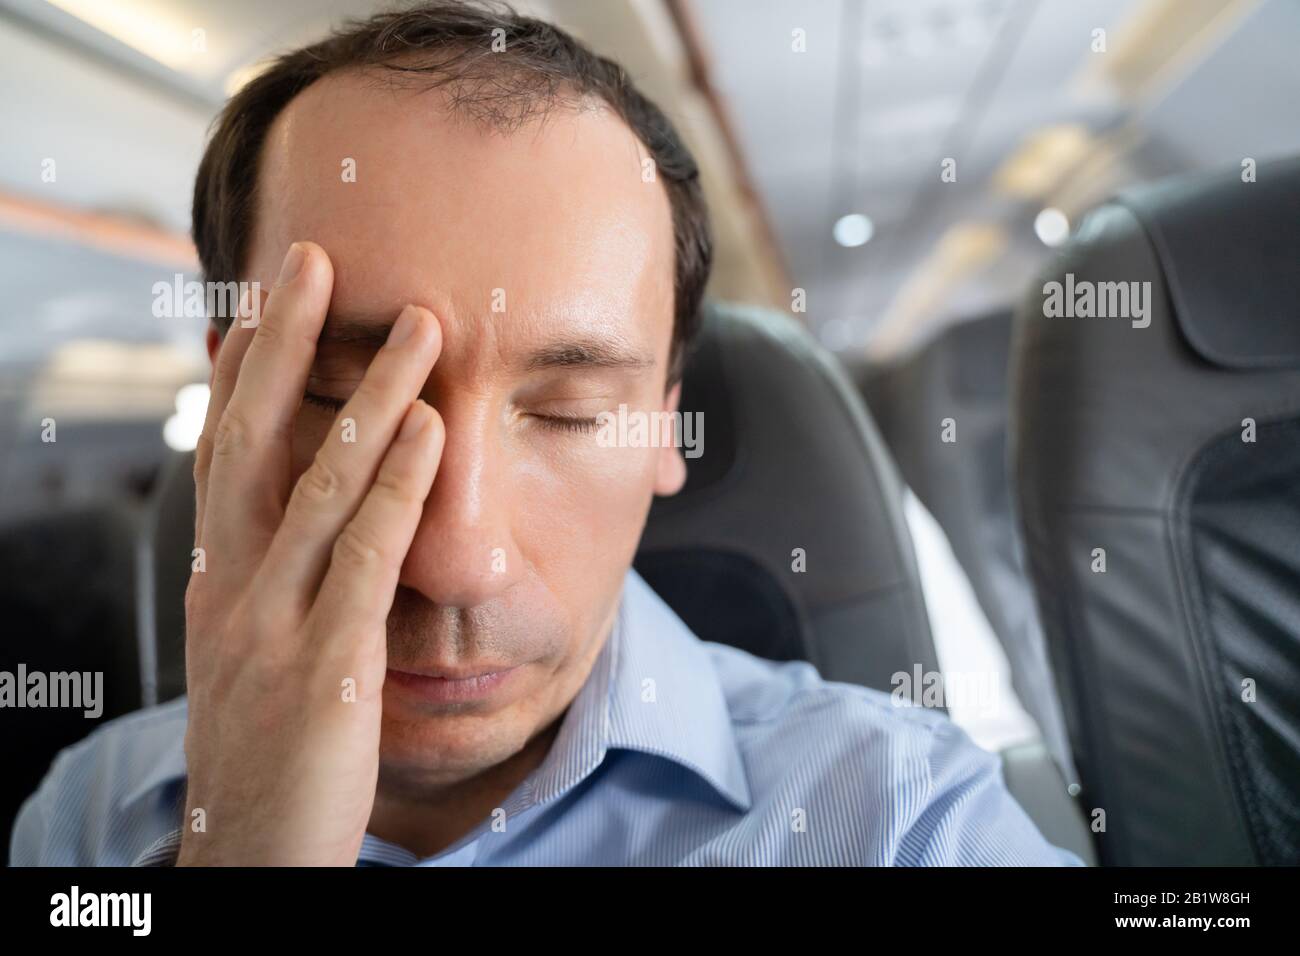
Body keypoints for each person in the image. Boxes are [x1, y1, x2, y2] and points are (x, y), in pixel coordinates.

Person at [10, 2, 1080, 866]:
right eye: (347, 397)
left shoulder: (901, 817)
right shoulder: (88, 821)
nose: (452, 559)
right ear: (231, 395)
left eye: (569, 413)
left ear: (667, 421)